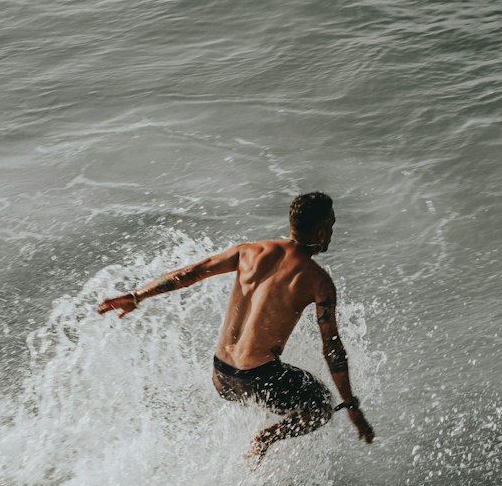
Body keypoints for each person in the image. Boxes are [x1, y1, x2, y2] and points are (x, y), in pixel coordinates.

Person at [97, 192, 375, 462]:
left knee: (278, 385)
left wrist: (137, 296)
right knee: (320, 406)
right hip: (257, 379)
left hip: (221, 376)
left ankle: (242, 457)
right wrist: (350, 404)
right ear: (321, 233)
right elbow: (332, 348)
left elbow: (191, 273)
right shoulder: (319, 281)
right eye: (332, 225)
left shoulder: (249, 252)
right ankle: (264, 439)